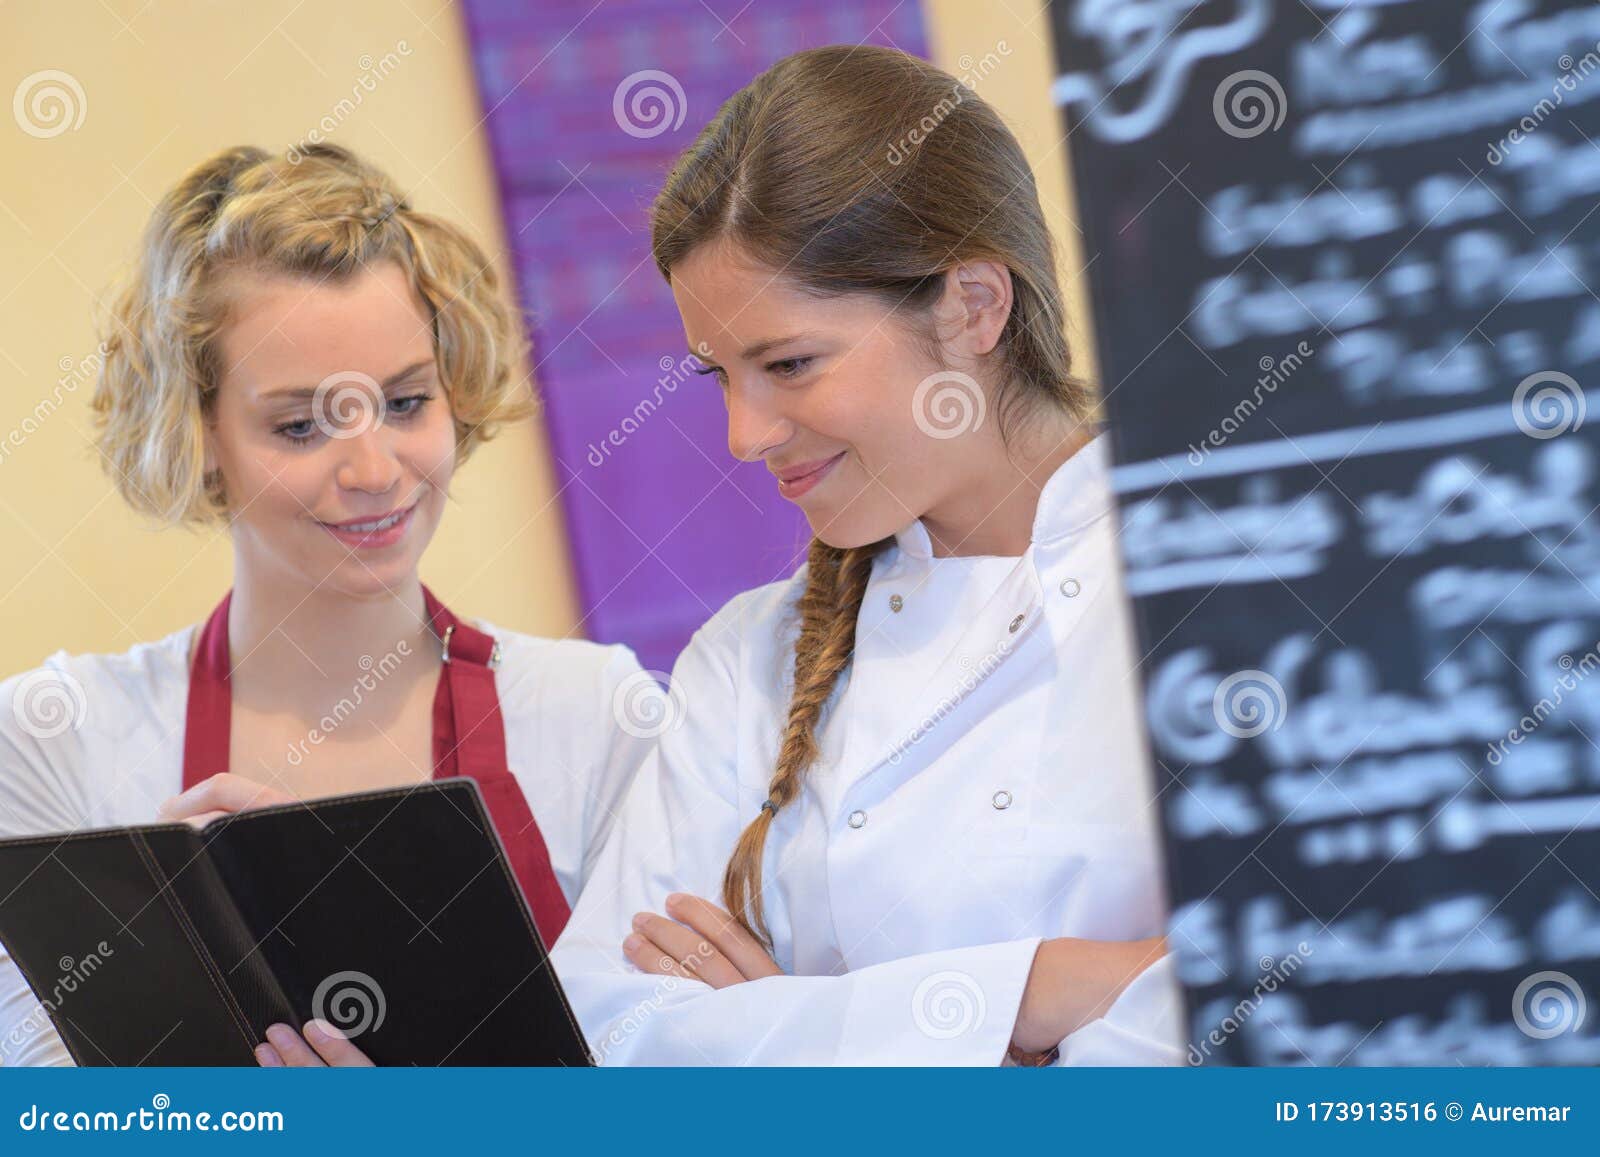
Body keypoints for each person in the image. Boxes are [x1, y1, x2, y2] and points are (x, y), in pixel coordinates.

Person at [547, 44, 1186, 1065]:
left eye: (790, 363)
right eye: (720, 375)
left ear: (973, 306)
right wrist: (1039, 990)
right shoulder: (747, 663)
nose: (743, 436)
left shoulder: (1223, 585)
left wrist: (800, 1029)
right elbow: (606, 1028)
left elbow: (1301, 1004)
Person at [0, 144, 652, 1068]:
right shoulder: (52, 740)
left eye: (404, 401)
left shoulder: (603, 720)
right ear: (197, 431)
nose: (374, 470)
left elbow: (678, 1086)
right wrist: (155, 961)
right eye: (300, 424)